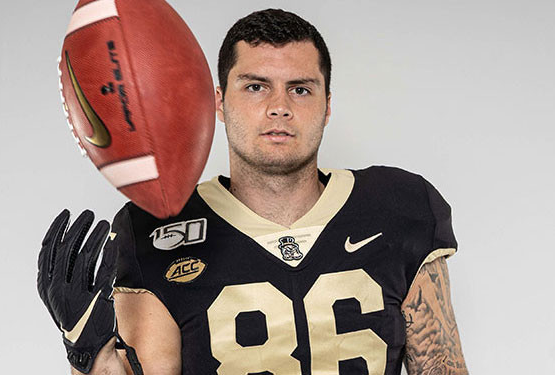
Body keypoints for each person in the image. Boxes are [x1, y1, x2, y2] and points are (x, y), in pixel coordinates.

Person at [38, 8, 468, 375]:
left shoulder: (398, 207)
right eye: (256, 86)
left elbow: (441, 365)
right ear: (219, 102)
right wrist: (88, 355)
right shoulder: (159, 227)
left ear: (328, 105)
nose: (279, 106)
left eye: (300, 89)